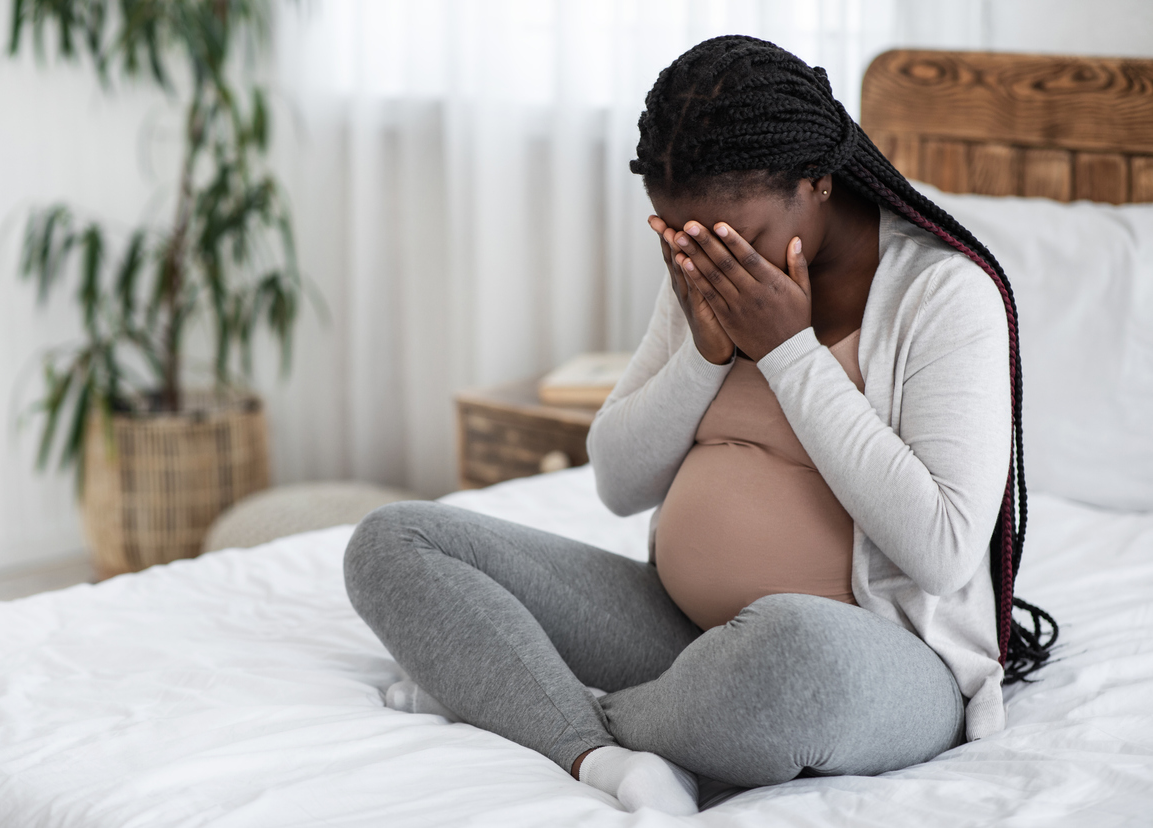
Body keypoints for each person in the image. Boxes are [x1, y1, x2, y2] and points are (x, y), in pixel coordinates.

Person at [343, 35, 1057, 816]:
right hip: (678, 629)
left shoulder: (944, 295)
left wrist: (788, 353)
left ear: (815, 180)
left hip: (874, 661)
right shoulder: (711, 268)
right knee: (395, 540)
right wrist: (705, 358)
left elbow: (943, 549)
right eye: (681, 238)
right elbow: (617, 483)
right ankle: (605, 755)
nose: (706, 259)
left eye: (732, 238)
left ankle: (521, 703)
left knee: (797, 652)